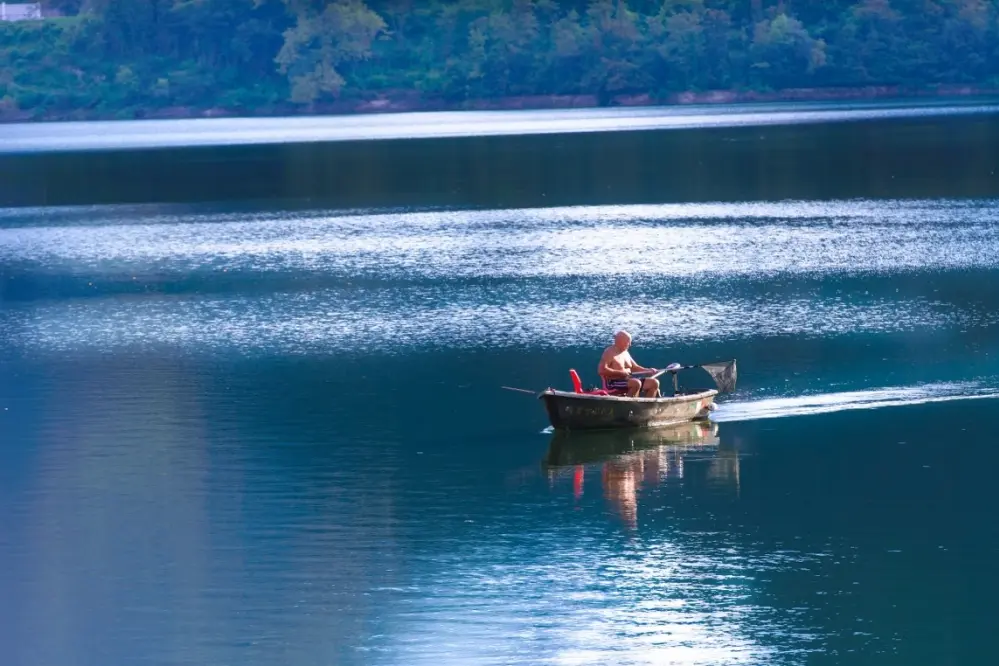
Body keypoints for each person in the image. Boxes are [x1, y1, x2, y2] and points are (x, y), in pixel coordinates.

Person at [597, 330, 660, 397]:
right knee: (636, 383)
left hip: (627, 381)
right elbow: (601, 370)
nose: (630, 344)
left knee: (654, 383)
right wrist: (621, 373)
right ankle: (628, 405)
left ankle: (647, 406)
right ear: (620, 341)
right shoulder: (609, 352)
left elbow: (635, 367)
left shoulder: (625, 352)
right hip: (613, 383)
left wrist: (648, 370)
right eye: (628, 342)